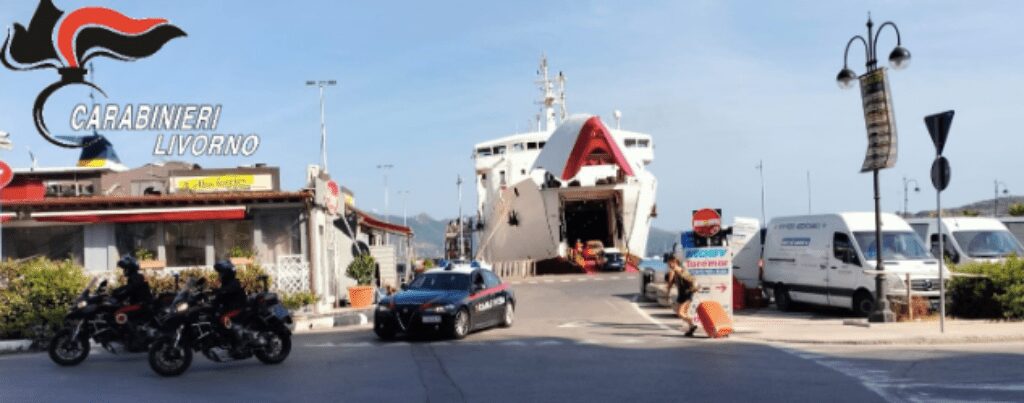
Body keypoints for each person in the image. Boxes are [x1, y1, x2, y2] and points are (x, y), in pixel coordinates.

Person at [665, 255, 699, 337]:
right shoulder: (680, 270)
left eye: (669, 263)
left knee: (680, 313)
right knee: (684, 313)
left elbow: (670, 284)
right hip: (685, 294)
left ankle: (692, 324)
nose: (668, 265)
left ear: (674, 262)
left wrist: (667, 293)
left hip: (685, 294)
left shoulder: (674, 271)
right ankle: (691, 329)